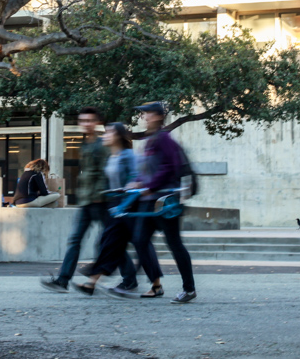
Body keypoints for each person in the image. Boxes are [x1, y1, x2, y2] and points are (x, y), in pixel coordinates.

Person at [40, 107, 137, 293]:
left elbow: (105, 173)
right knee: (75, 240)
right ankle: (63, 280)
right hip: (86, 201)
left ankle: (130, 278)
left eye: (89, 120)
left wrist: (104, 197)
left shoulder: (102, 145)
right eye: (83, 120)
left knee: (110, 241)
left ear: (96, 123)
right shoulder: (85, 145)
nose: (86, 124)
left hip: (100, 201)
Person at [109, 101, 196, 304]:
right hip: (150, 200)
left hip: (164, 202)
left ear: (157, 116)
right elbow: (150, 169)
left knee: (175, 244)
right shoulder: (151, 140)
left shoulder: (163, 138)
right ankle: (153, 285)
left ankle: (189, 288)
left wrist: (149, 185)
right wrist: (137, 181)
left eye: (146, 114)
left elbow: (169, 167)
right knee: (139, 240)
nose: (143, 117)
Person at [74, 123, 141, 295]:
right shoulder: (112, 156)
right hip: (114, 205)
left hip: (127, 205)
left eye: (109, 133)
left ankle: (152, 283)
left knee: (139, 244)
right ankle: (91, 283)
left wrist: (126, 195)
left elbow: (135, 176)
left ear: (118, 136)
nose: (104, 136)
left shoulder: (127, 155)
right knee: (109, 243)